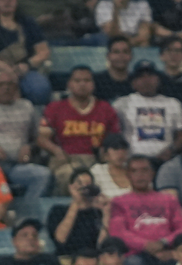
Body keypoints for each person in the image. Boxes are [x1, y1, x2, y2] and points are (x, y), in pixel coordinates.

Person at [0, 69, 50, 218]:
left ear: (16, 88)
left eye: (10, 84)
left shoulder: (27, 107)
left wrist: (29, 147)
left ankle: (28, 216)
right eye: (1, 84)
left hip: (17, 165)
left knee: (42, 175)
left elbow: (36, 137)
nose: (6, 88)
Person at [38, 65, 121, 194]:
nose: (82, 84)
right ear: (69, 84)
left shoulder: (106, 109)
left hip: (96, 160)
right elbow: (41, 138)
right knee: (73, 177)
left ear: (93, 84)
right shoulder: (55, 108)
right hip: (66, 160)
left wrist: (106, 155)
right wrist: (55, 150)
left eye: (87, 81)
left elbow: (115, 139)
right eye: (77, 81)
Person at [108, 154, 182, 265]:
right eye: (134, 171)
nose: (140, 175)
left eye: (144, 170)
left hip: (167, 251)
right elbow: (118, 232)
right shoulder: (119, 202)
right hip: (136, 254)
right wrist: (145, 245)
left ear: (152, 173)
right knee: (134, 264)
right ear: (127, 174)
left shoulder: (168, 199)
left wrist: (164, 242)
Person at [113, 59, 182, 162]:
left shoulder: (173, 104)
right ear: (133, 83)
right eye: (141, 77)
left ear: (158, 80)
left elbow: (181, 134)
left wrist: (171, 150)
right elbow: (114, 134)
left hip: (165, 161)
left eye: (150, 75)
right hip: (132, 161)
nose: (146, 80)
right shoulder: (121, 104)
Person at [49, 169, 108, 256]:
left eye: (87, 184)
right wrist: (76, 202)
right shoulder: (58, 210)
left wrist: (106, 212)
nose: (84, 187)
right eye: (80, 183)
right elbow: (60, 239)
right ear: (71, 187)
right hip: (66, 256)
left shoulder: (97, 212)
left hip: (92, 258)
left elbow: (102, 244)